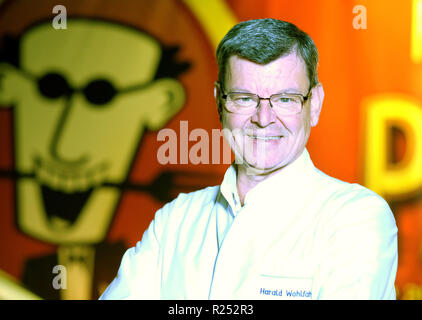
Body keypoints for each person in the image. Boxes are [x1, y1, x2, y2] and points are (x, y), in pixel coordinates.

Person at [99, 18, 398, 300]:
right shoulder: (175, 222)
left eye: (285, 99)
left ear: (315, 103)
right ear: (219, 102)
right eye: (244, 98)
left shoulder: (355, 218)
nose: (263, 119)